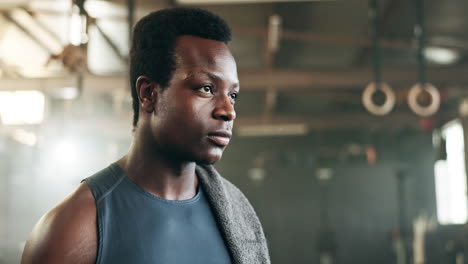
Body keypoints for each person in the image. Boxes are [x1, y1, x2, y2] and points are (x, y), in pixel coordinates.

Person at [21, 7, 270, 264]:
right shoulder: (74, 227)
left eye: (233, 95)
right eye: (206, 88)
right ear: (149, 94)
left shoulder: (237, 213)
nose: (228, 111)